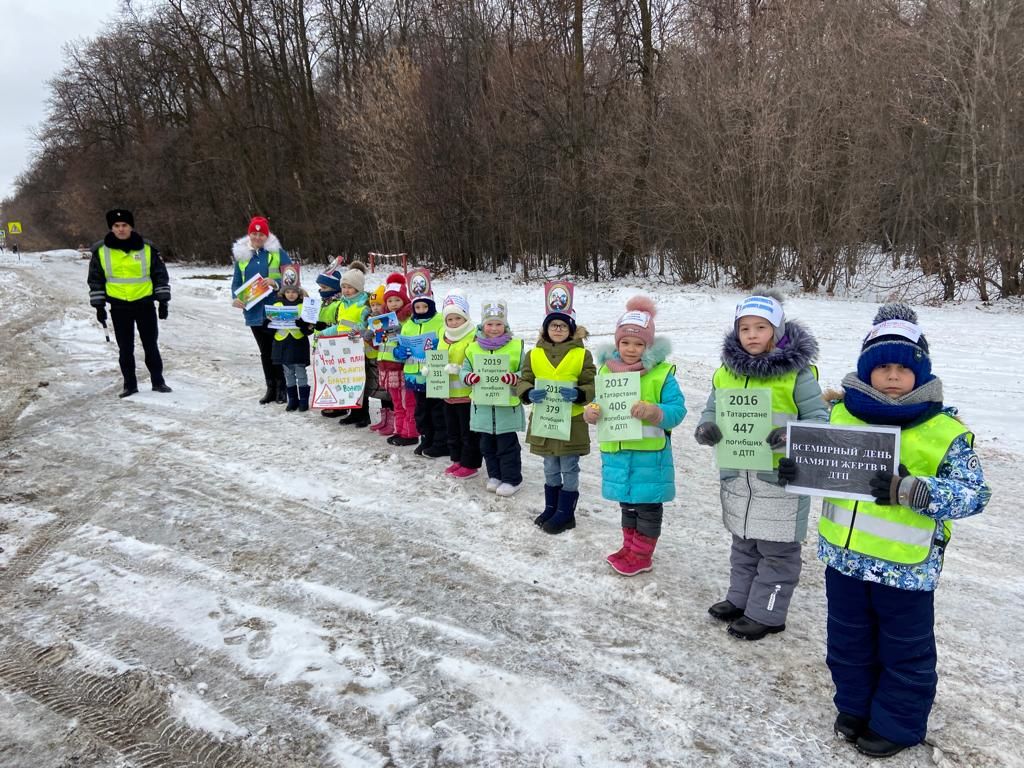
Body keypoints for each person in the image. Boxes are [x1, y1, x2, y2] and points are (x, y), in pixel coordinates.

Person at [782, 303, 990, 758]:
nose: (892, 376)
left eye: (902, 368)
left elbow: (975, 495)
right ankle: (855, 707)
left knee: (906, 654)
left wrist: (915, 490)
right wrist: (794, 466)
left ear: (920, 373)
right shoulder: (840, 417)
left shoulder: (944, 431)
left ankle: (897, 724)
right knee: (847, 644)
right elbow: (817, 466)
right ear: (866, 371)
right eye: (882, 368)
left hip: (906, 572)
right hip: (844, 562)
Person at [693, 289, 827, 640]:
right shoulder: (725, 373)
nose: (752, 335)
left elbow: (819, 421)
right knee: (744, 544)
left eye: (761, 327)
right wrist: (706, 428)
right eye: (745, 328)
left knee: (777, 552)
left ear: (778, 331)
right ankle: (740, 599)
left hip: (779, 480)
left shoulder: (797, 375)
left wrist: (790, 436)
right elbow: (712, 409)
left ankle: (768, 613)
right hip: (739, 476)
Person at [583, 296, 686, 575]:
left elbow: (678, 411)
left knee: (648, 508)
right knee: (627, 505)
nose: (631, 349)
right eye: (625, 343)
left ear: (649, 345)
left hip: (649, 457)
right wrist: (591, 412)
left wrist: (654, 411)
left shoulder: (662, 374)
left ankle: (642, 556)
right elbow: (600, 404)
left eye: (639, 344)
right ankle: (629, 548)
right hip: (618, 453)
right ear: (617, 344)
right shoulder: (606, 370)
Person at [516, 286, 596, 534]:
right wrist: (528, 392)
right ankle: (551, 506)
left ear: (571, 330)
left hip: (571, 421)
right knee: (550, 465)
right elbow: (524, 378)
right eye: (553, 326)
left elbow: (592, 383)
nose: (558, 329)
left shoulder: (582, 354)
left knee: (569, 466)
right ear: (546, 329)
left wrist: (580, 394)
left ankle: (566, 513)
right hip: (545, 420)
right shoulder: (534, 353)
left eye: (563, 326)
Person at [87, 208, 172, 398]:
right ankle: (130, 385)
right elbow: (95, 280)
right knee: (125, 349)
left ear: (131, 226)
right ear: (111, 228)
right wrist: (99, 307)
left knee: (151, 345)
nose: (121, 229)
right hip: (119, 307)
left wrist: (163, 301)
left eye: (124, 225)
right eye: (116, 226)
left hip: (144, 304)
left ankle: (158, 382)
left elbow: (159, 275)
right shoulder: (101, 251)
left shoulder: (147, 248)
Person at [462, 299, 526, 496]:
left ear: (505, 325)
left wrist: (514, 378)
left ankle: (512, 479)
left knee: (507, 446)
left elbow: (525, 371)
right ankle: (495, 475)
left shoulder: (515, 346)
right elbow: (465, 370)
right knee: (487, 446)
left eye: (499, 324)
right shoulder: (473, 348)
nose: (494, 328)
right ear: (483, 325)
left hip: (506, 407)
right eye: (490, 324)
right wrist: (468, 377)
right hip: (482, 407)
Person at [231, 216, 292, 404]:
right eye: (254, 234)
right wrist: (236, 298)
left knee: (278, 350)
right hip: (253, 311)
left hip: (275, 309)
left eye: (261, 234)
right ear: (249, 234)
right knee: (265, 352)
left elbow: (293, 279)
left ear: (267, 235)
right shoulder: (241, 256)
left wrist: (275, 283)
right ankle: (271, 388)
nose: (257, 237)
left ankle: (283, 388)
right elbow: (236, 284)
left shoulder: (277, 253)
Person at [393, 271, 447, 457]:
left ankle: (440, 442)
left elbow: (447, 342)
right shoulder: (408, 324)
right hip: (414, 375)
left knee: (437, 410)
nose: (421, 310)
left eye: (425, 307)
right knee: (421, 411)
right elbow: (399, 345)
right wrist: (399, 352)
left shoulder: (440, 321)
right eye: (418, 307)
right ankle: (426, 438)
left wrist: (437, 347)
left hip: (433, 373)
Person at [435, 291, 482, 478]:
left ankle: (470, 463)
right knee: (452, 429)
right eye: (450, 319)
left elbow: (477, 361)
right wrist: (431, 369)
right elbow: (438, 357)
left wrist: (460, 368)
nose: (454, 323)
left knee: (468, 431)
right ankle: (457, 459)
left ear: (466, 318)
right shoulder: (444, 335)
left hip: (466, 394)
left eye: (458, 318)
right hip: (447, 394)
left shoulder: (473, 336)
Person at [330, 261, 371, 427]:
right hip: (342, 348)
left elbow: (364, 326)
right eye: (343, 286)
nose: (345, 290)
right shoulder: (342, 304)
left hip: (358, 348)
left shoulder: (363, 305)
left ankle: (363, 414)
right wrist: (322, 333)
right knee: (347, 381)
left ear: (358, 288)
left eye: (349, 287)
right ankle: (353, 411)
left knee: (359, 382)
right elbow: (340, 325)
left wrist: (355, 330)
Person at [380, 274, 418, 447]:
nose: (393, 304)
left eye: (397, 300)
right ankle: (399, 429)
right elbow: (378, 345)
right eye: (390, 301)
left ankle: (410, 433)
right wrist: (370, 337)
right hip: (388, 367)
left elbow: (412, 339)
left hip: (403, 366)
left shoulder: (408, 319)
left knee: (407, 401)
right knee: (396, 402)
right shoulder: (382, 320)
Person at [271, 266, 313, 412]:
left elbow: (309, 329)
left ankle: (303, 402)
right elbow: (270, 325)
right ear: (283, 292)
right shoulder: (277, 305)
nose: (291, 294)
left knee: (301, 374)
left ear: (298, 292)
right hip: (282, 344)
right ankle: (292, 401)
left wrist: (306, 326)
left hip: (298, 344)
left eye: (294, 291)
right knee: (288, 375)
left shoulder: (304, 306)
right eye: (288, 291)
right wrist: (268, 320)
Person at [365, 284, 395, 435]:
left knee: (390, 393)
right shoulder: (373, 321)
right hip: (380, 359)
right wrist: (370, 338)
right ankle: (383, 419)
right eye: (373, 305)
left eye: (379, 304)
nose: (375, 307)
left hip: (392, 361)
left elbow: (389, 340)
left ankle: (392, 421)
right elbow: (379, 343)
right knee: (382, 392)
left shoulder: (388, 321)